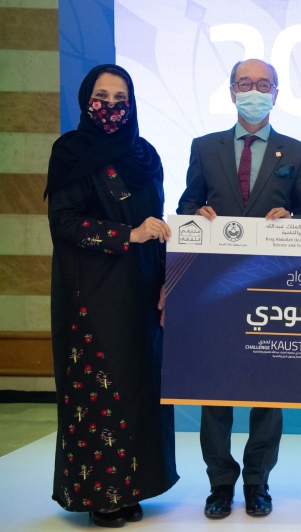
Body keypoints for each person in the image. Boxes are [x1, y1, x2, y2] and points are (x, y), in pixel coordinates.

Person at [177, 58, 301, 519]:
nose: (253, 91)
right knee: (215, 391)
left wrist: (293, 219)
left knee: (267, 392)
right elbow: (186, 207)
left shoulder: (297, 152)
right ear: (231, 91)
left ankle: (258, 482)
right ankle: (220, 483)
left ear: (275, 93)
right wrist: (196, 215)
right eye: (245, 83)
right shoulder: (204, 148)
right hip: (215, 291)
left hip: (270, 291)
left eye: (263, 84)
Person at [46, 64, 179, 528]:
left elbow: (158, 224)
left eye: (121, 98)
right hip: (92, 293)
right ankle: (101, 494)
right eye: (101, 96)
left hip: (142, 291)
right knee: (101, 392)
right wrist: (127, 234)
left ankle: (134, 487)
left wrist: (167, 283)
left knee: (142, 390)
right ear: (86, 100)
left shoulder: (145, 155)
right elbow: (63, 221)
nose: (110, 106)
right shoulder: (70, 152)